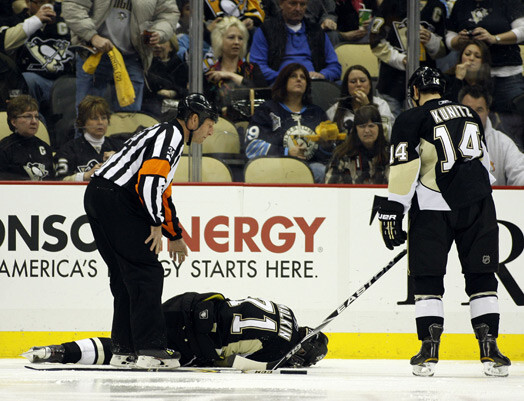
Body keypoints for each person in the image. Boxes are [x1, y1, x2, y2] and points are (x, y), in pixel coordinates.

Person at [376, 66, 511, 377]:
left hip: (433, 206)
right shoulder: (468, 113)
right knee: (482, 277)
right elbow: (480, 162)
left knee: (427, 279)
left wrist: (393, 209)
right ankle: (490, 349)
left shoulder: (411, 118)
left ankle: (429, 350)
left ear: (414, 93)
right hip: (479, 203)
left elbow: (405, 167)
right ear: (443, 90)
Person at [83, 93, 218, 370]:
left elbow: (162, 192)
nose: (211, 131)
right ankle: (152, 349)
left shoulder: (162, 133)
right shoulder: (171, 138)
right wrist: (155, 223)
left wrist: (175, 235)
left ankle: (124, 349)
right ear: (193, 120)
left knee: (124, 276)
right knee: (146, 272)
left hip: (99, 195)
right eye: (208, 124)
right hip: (118, 200)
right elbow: (150, 184)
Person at [22, 291, 329, 369]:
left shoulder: (286, 311)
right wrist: (204, 358)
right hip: (192, 333)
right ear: (301, 348)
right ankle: (61, 353)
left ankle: (59, 350)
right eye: (304, 358)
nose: (300, 362)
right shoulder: (280, 350)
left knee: (132, 342)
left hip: (189, 301)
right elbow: (232, 363)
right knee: (134, 355)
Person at [61, 0, 178, 113]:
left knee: (129, 120)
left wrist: (159, 32)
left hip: (133, 56)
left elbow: (168, 13)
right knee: (89, 117)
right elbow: (73, 5)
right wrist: (92, 36)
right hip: (95, 53)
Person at [245, 63, 335, 182]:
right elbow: (251, 147)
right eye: (293, 76)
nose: (299, 79)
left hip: (310, 170)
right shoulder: (267, 110)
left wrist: (325, 146)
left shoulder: (317, 113)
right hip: (275, 168)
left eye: (303, 77)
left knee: (320, 171)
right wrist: (286, 152)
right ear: (283, 81)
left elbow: (331, 154)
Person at [370, 0, 447, 117]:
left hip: (425, 85)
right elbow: (375, 41)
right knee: (392, 128)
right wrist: (400, 59)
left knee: (422, 127)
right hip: (391, 83)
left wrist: (431, 40)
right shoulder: (390, 4)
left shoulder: (437, 7)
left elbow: (444, 49)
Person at [446, 0, 524, 113]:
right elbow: (449, 36)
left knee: (513, 119)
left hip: (506, 74)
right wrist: (458, 40)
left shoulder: (509, 2)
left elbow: (522, 30)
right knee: (471, 116)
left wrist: (494, 38)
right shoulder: (461, 4)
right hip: (472, 77)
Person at [249, 0, 341, 84]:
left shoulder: (317, 31)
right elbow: (257, 67)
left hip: (314, 86)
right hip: (279, 87)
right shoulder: (266, 30)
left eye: (302, 4)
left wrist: (322, 75)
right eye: (293, 3)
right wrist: (286, 78)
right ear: (281, 4)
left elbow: (334, 66)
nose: (298, 9)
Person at [7, 0, 74, 111]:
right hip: (35, 79)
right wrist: (36, 21)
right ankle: (31, 116)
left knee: (76, 82)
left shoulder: (64, 23)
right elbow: (7, 44)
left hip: (63, 80)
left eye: (50, 2)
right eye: (41, 2)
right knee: (28, 79)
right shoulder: (16, 22)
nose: (46, 6)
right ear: (28, 3)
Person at [204, 16, 267, 122]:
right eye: (231, 37)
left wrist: (230, 75)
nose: (237, 42)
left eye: (240, 38)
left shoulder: (252, 69)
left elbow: (262, 94)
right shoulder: (211, 75)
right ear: (219, 40)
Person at [459, 85, 524, 186]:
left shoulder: (502, 143)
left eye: (479, 110)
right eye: (467, 109)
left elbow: (520, 173)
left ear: (487, 112)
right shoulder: (447, 139)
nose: (473, 115)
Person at [54, 96, 124, 181]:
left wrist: (119, 159)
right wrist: (85, 176)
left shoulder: (120, 148)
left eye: (104, 118)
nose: (100, 122)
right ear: (83, 122)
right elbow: (59, 181)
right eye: (94, 118)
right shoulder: (68, 150)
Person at [326, 65, 394, 140]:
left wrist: (367, 107)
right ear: (346, 86)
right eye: (353, 82)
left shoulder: (381, 105)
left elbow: (387, 134)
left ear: (370, 85)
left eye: (362, 81)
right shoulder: (336, 109)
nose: (358, 84)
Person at [325, 104, 388, 184]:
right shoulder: (342, 155)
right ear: (355, 130)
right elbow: (330, 188)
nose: (367, 130)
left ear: (379, 128)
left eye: (371, 126)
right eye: (362, 126)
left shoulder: (389, 153)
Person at [0, 94, 54, 180]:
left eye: (36, 117)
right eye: (28, 116)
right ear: (14, 122)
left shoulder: (45, 148)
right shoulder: (4, 149)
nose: (34, 121)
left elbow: (52, 182)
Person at [142, 38, 189, 118]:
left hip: (178, 102)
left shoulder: (180, 65)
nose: (157, 46)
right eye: (154, 43)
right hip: (153, 101)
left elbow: (186, 90)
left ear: (171, 47)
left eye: (161, 42)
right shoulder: (147, 65)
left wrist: (173, 93)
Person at [443, 39, 493, 103]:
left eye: (477, 56)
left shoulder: (489, 82)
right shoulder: (447, 79)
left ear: (483, 61)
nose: (471, 58)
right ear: (461, 57)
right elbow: (449, 104)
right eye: (467, 54)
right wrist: (458, 79)